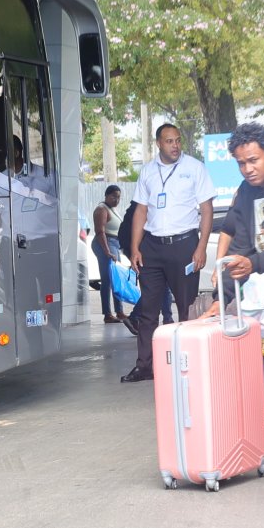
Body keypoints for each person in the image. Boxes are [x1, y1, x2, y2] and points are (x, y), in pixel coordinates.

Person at [205, 123, 264, 431]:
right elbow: (241, 246)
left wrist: (254, 261)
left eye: (253, 160)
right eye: (241, 163)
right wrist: (223, 301)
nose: (247, 169)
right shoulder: (246, 192)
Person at [120, 124, 215, 383]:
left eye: (178, 140)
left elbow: (206, 209)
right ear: (158, 144)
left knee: (187, 309)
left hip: (184, 245)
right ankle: (145, 366)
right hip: (152, 246)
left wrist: (201, 247)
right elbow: (141, 211)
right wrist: (135, 248)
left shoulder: (194, 168)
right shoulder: (148, 171)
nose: (175, 145)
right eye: (169, 141)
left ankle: (189, 365)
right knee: (148, 310)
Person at [118, 200, 173, 334]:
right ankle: (167, 320)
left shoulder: (134, 207)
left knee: (159, 285)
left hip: (135, 248)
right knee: (159, 285)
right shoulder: (143, 207)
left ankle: (165, 319)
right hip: (141, 249)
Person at [92, 185, 126, 324]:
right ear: (106, 196)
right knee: (107, 280)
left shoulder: (113, 209)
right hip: (105, 243)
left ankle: (119, 312)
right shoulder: (102, 209)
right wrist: (107, 252)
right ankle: (108, 314)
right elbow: (100, 232)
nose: (116, 199)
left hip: (114, 244)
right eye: (113, 196)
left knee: (115, 279)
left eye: (118, 197)